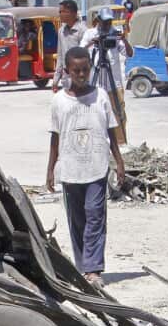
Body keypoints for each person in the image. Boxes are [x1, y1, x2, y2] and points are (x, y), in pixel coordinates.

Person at [46, 46, 126, 288]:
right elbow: (55, 138)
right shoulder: (59, 101)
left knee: (95, 217)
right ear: (67, 71)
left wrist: (119, 162)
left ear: (90, 69)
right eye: (76, 71)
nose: (81, 74)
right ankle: (82, 267)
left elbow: (112, 132)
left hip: (96, 168)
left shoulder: (101, 96)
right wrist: (50, 170)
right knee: (77, 220)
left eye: (84, 70)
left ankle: (93, 269)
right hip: (71, 170)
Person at [81, 7, 132, 144]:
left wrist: (124, 39)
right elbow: (79, 51)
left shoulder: (114, 34)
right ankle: (94, 141)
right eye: (105, 22)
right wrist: (94, 42)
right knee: (92, 111)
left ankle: (120, 142)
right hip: (95, 82)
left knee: (118, 111)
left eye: (109, 22)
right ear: (98, 21)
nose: (107, 25)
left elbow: (129, 54)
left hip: (114, 82)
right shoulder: (90, 33)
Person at [51, 0, 87, 92]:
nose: (60, 14)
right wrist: (56, 79)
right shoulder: (61, 31)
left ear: (72, 13)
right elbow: (60, 56)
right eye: (59, 12)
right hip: (66, 77)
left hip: (80, 76)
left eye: (62, 11)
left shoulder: (83, 31)